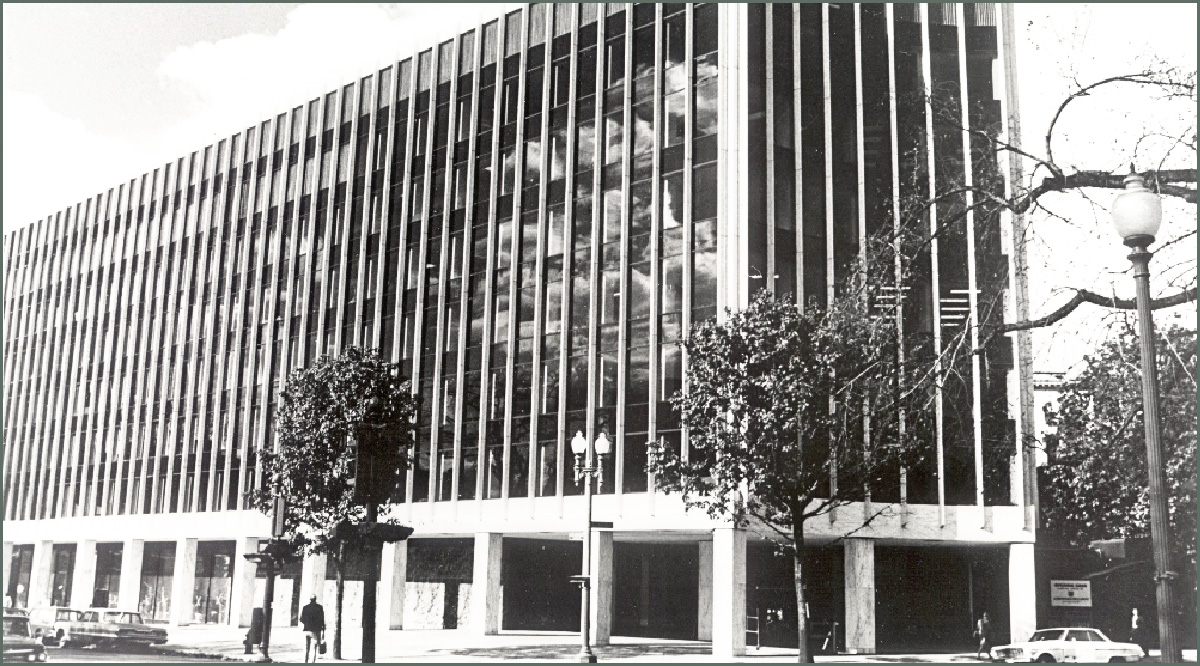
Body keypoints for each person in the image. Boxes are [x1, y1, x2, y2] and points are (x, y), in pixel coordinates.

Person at [300, 595, 325, 663]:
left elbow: (302, 619)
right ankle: (312, 662)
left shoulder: (305, 608)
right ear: (315, 599)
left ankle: (305, 661)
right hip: (316, 630)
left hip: (306, 630)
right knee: (314, 648)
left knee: (306, 647)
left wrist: (307, 623)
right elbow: (322, 619)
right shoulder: (320, 608)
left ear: (310, 599)